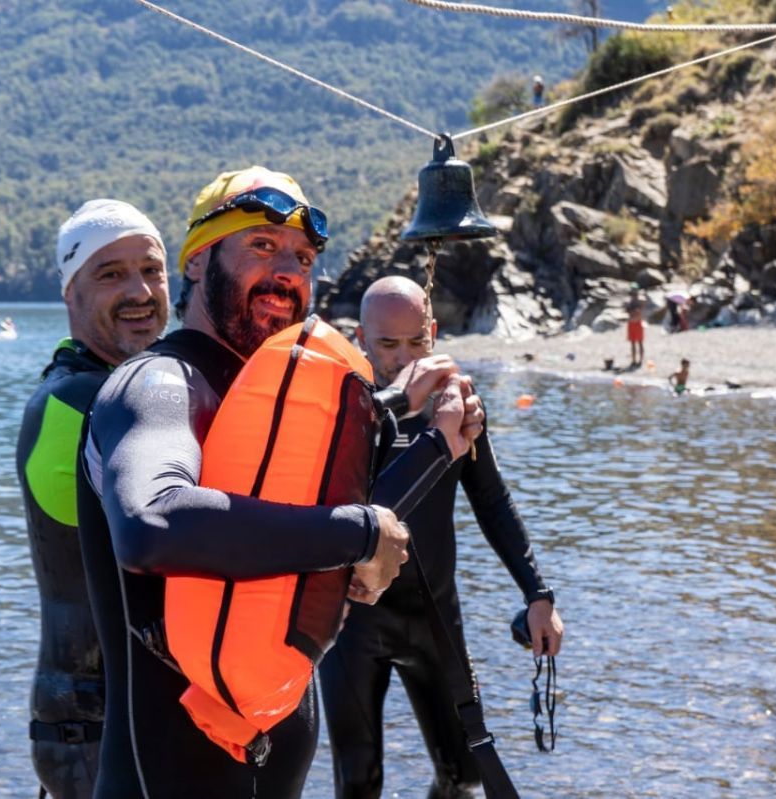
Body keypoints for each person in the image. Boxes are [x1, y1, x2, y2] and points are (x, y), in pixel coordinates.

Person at [75, 166, 485, 798]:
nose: (288, 271)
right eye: (261, 246)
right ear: (196, 261)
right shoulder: (159, 385)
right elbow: (150, 523)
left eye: (303, 256)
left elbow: (321, 537)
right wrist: (359, 531)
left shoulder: (270, 411)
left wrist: (437, 442)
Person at [319, 275, 564, 799]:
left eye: (416, 343)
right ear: (361, 338)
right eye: (387, 344)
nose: (404, 358)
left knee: (465, 774)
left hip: (435, 617)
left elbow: (492, 500)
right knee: (359, 781)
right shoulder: (346, 407)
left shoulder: (459, 405)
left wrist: (538, 594)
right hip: (354, 623)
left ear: (432, 333)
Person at [15, 199, 170, 798]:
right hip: (91, 728)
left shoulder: (122, 388)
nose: (138, 290)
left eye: (151, 270)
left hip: (114, 718)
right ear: (69, 293)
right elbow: (188, 521)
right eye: (111, 274)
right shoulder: (77, 401)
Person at [626, 289, 645, 368]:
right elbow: (629, 313)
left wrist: (633, 312)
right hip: (632, 324)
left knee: (640, 343)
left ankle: (640, 360)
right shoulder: (630, 303)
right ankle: (634, 360)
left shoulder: (639, 303)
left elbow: (638, 313)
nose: (633, 296)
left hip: (637, 324)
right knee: (633, 343)